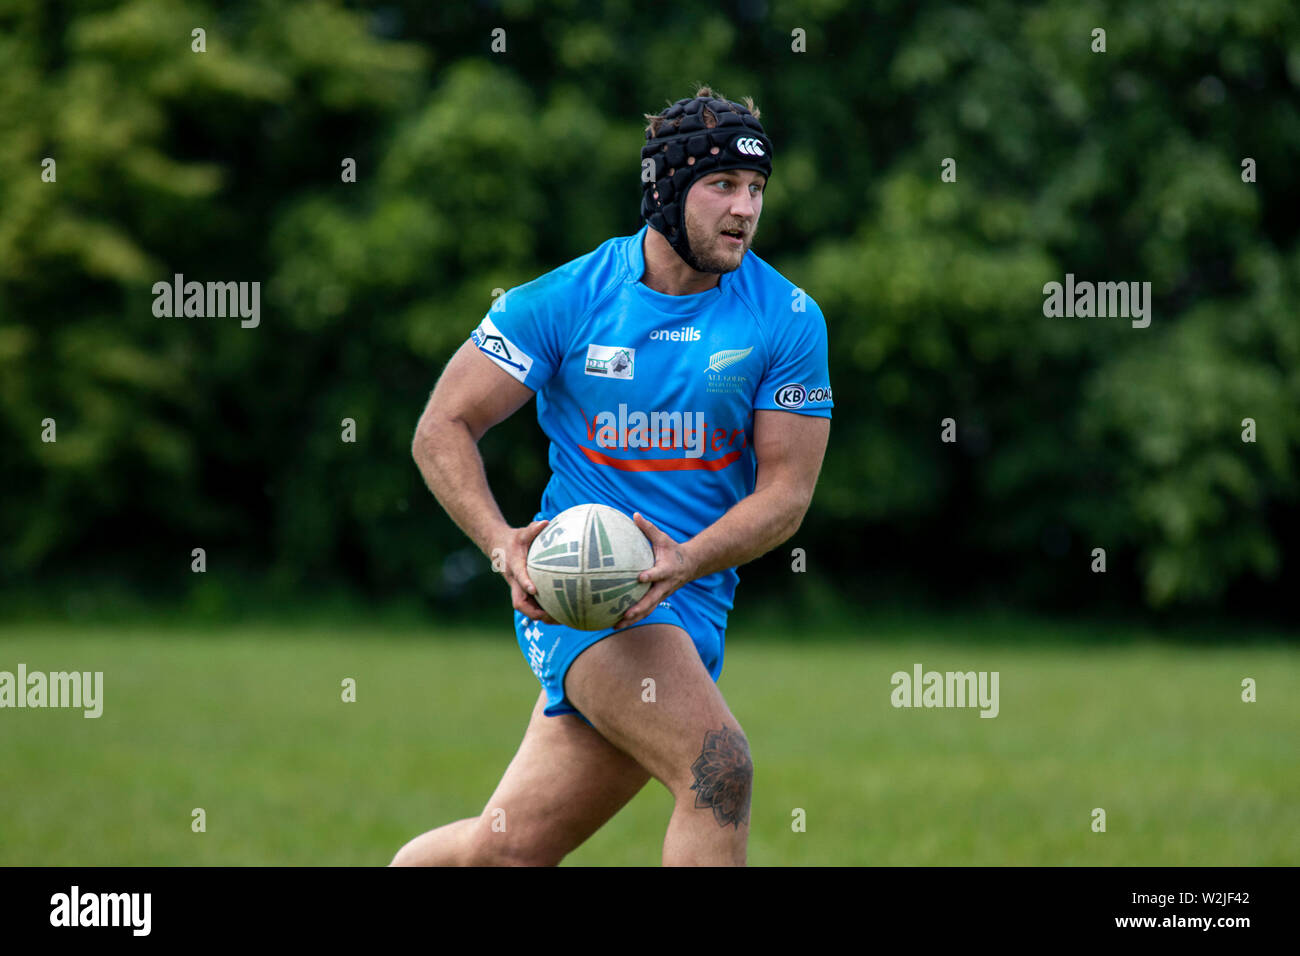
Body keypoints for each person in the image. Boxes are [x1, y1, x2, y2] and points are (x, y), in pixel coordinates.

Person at [392, 86, 832, 866]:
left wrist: (688, 560)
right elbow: (442, 428)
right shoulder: (566, 301)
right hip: (587, 601)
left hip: (691, 602)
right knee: (719, 770)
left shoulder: (787, 319)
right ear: (666, 190)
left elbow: (786, 498)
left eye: (756, 189)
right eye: (722, 185)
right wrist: (502, 545)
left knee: (503, 852)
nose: (745, 209)